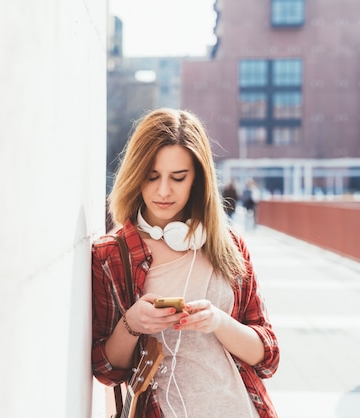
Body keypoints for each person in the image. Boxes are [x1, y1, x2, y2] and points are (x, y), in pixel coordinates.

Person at [91, 108, 279, 418]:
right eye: (152, 176)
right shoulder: (112, 256)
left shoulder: (228, 245)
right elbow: (106, 370)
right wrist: (132, 324)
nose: (164, 190)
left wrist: (218, 322)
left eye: (178, 177)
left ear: (198, 179)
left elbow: (268, 356)